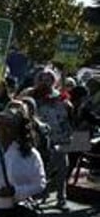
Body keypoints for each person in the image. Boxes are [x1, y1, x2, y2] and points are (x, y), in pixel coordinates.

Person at [24, 68, 73, 208]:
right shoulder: (31, 94)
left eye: (49, 79)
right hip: (40, 139)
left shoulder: (61, 97)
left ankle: (61, 199)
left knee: (63, 168)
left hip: (60, 137)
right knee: (43, 169)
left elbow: (68, 116)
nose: (45, 82)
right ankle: (40, 196)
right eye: (43, 79)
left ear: (53, 81)